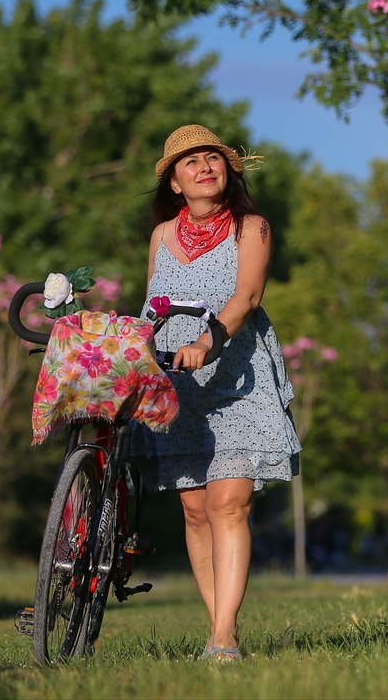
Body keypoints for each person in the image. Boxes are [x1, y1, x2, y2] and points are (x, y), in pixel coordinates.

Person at [133, 124, 300, 662]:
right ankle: (217, 626)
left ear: (227, 170)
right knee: (196, 509)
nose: (205, 167)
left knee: (229, 502)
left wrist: (210, 339)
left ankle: (224, 638)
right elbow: (151, 308)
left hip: (236, 376)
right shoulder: (161, 236)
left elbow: (247, 295)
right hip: (178, 383)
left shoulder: (251, 227)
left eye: (212, 159)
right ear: (175, 184)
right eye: (191, 163)